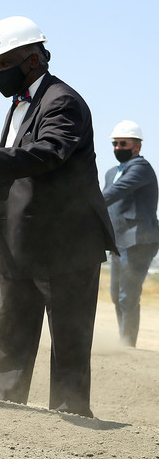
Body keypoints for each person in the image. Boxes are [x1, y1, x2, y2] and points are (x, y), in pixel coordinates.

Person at [0, 16, 115, 417]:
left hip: (66, 246)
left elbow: (48, 153)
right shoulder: (18, 105)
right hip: (19, 242)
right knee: (11, 332)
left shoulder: (62, 102)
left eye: (3, 64)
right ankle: (4, 410)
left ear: (31, 60)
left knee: (68, 340)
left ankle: (68, 422)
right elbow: (20, 179)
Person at [102, 120, 159, 347]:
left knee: (128, 296)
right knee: (117, 296)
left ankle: (127, 347)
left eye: (122, 143)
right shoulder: (110, 173)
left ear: (137, 147)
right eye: (115, 144)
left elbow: (114, 193)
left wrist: (85, 202)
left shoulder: (140, 168)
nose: (117, 148)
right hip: (118, 241)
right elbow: (108, 202)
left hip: (138, 242)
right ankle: (123, 341)